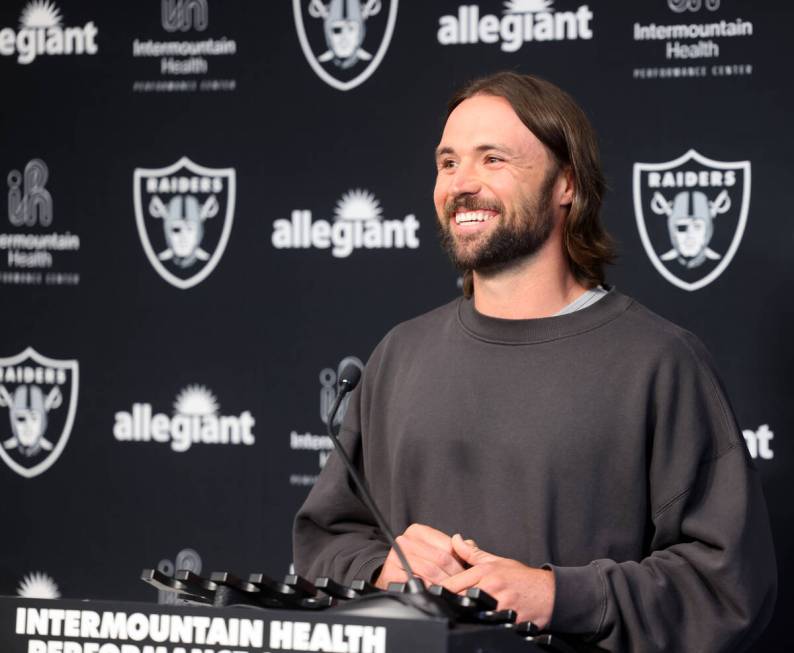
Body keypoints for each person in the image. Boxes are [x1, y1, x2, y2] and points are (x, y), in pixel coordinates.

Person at [293, 72, 777, 651]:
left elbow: (727, 588)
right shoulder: (399, 353)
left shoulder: (660, 361)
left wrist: (556, 596)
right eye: (448, 163)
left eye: (492, 159)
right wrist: (380, 568)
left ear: (567, 184)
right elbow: (325, 540)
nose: (461, 185)